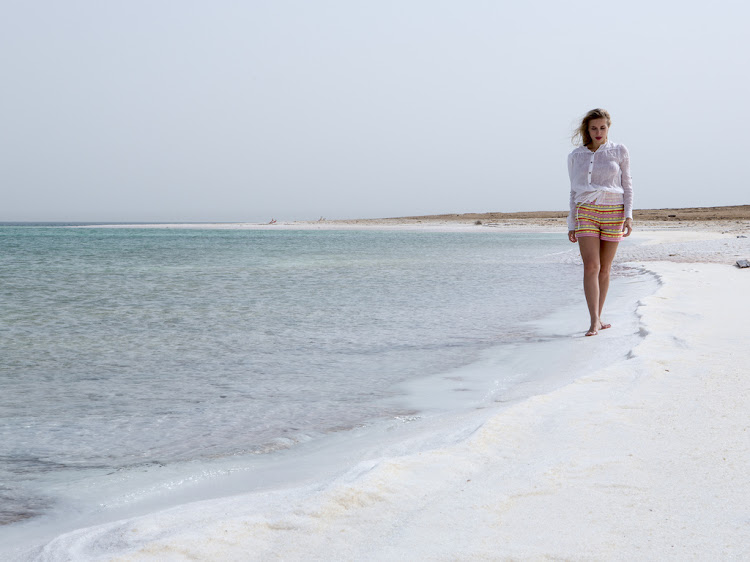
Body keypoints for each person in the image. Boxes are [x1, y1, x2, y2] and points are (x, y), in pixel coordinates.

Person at [567, 108, 633, 337]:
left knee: (605, 268)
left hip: (614, 212)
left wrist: (629, 215)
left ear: (608, 127)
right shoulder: (576, 156)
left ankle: (599, 316)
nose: (598, 132)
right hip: (586, 211)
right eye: (594, 128)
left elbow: (627, 184)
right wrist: (571, 223)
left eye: (602, 127)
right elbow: (573, 190)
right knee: (591, 267)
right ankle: (593, 321)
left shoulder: (619, 150)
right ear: (587, 129)